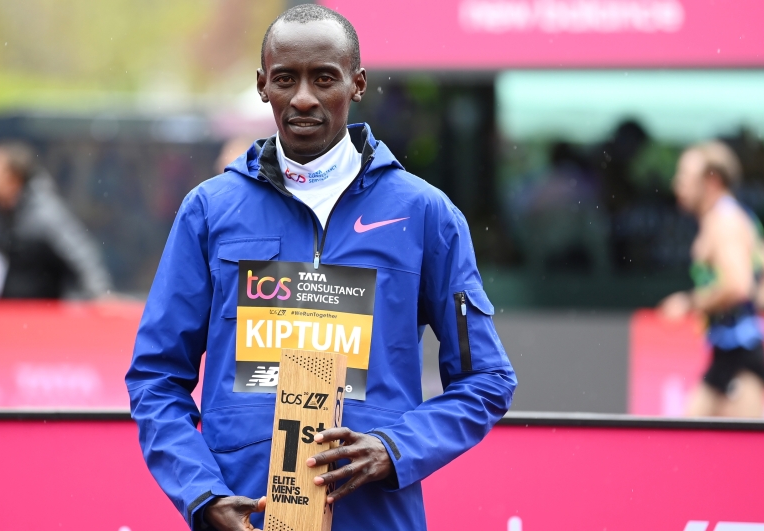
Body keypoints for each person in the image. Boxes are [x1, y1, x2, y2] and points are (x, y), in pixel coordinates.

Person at [126, 5, 516, 531]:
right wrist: (202, 495)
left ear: (357, 84)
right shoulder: (209, 211)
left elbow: (486, 381)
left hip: (376, 518)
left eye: (324, 78)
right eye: (286, 79)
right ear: (263, 86)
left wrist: (394, 449)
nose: (304, 98)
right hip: (246, 518)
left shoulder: (426, 215)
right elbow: (155, 378)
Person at [659, 141, 764, 417]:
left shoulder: (725, 222)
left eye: (685, 176)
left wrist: (689, 302)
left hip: (741, 358)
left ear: (712, 180)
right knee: (689, 447)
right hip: (726, 353)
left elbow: (737, 285)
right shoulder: (732, 217)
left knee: (739, 456)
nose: (678, 184)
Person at [0, 141, 112, 300]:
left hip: (36, 318)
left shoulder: (44, 214)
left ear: (13, 179)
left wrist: (100, 295)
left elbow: (80, 256)